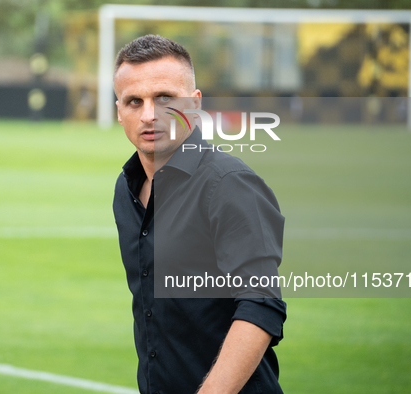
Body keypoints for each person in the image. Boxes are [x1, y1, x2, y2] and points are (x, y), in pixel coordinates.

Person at [112, 34, 286, 394]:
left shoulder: (228, 183)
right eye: (134, 101)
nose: (148, 115)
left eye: (164, 99)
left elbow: (261, 305)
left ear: (194, 104)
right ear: (119, 112)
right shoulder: (126, 188)